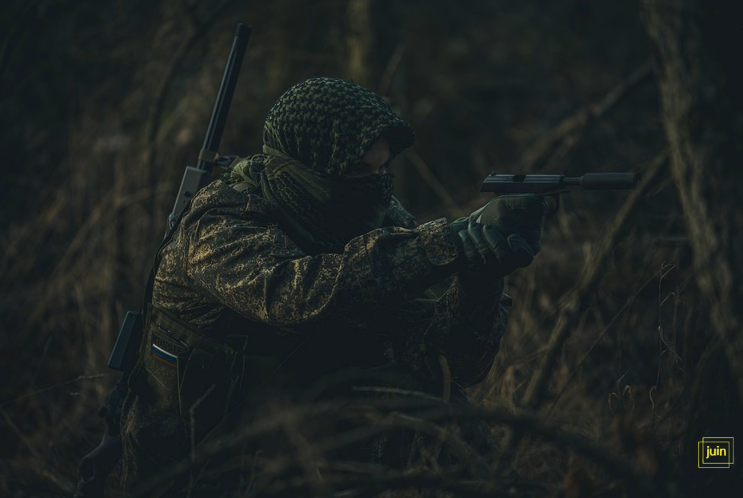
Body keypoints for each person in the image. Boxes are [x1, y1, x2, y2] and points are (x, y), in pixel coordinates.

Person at [119, 77, 547, 495]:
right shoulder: (220, 223)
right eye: (360, 170)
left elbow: (443, 364)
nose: (376, 185)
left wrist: (481, 274)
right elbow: (296, 295)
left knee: (438, 409)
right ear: (310, 165)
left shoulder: (366, 212)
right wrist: (447, 243)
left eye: (382, 170)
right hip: (200, 469)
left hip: (307, 449)